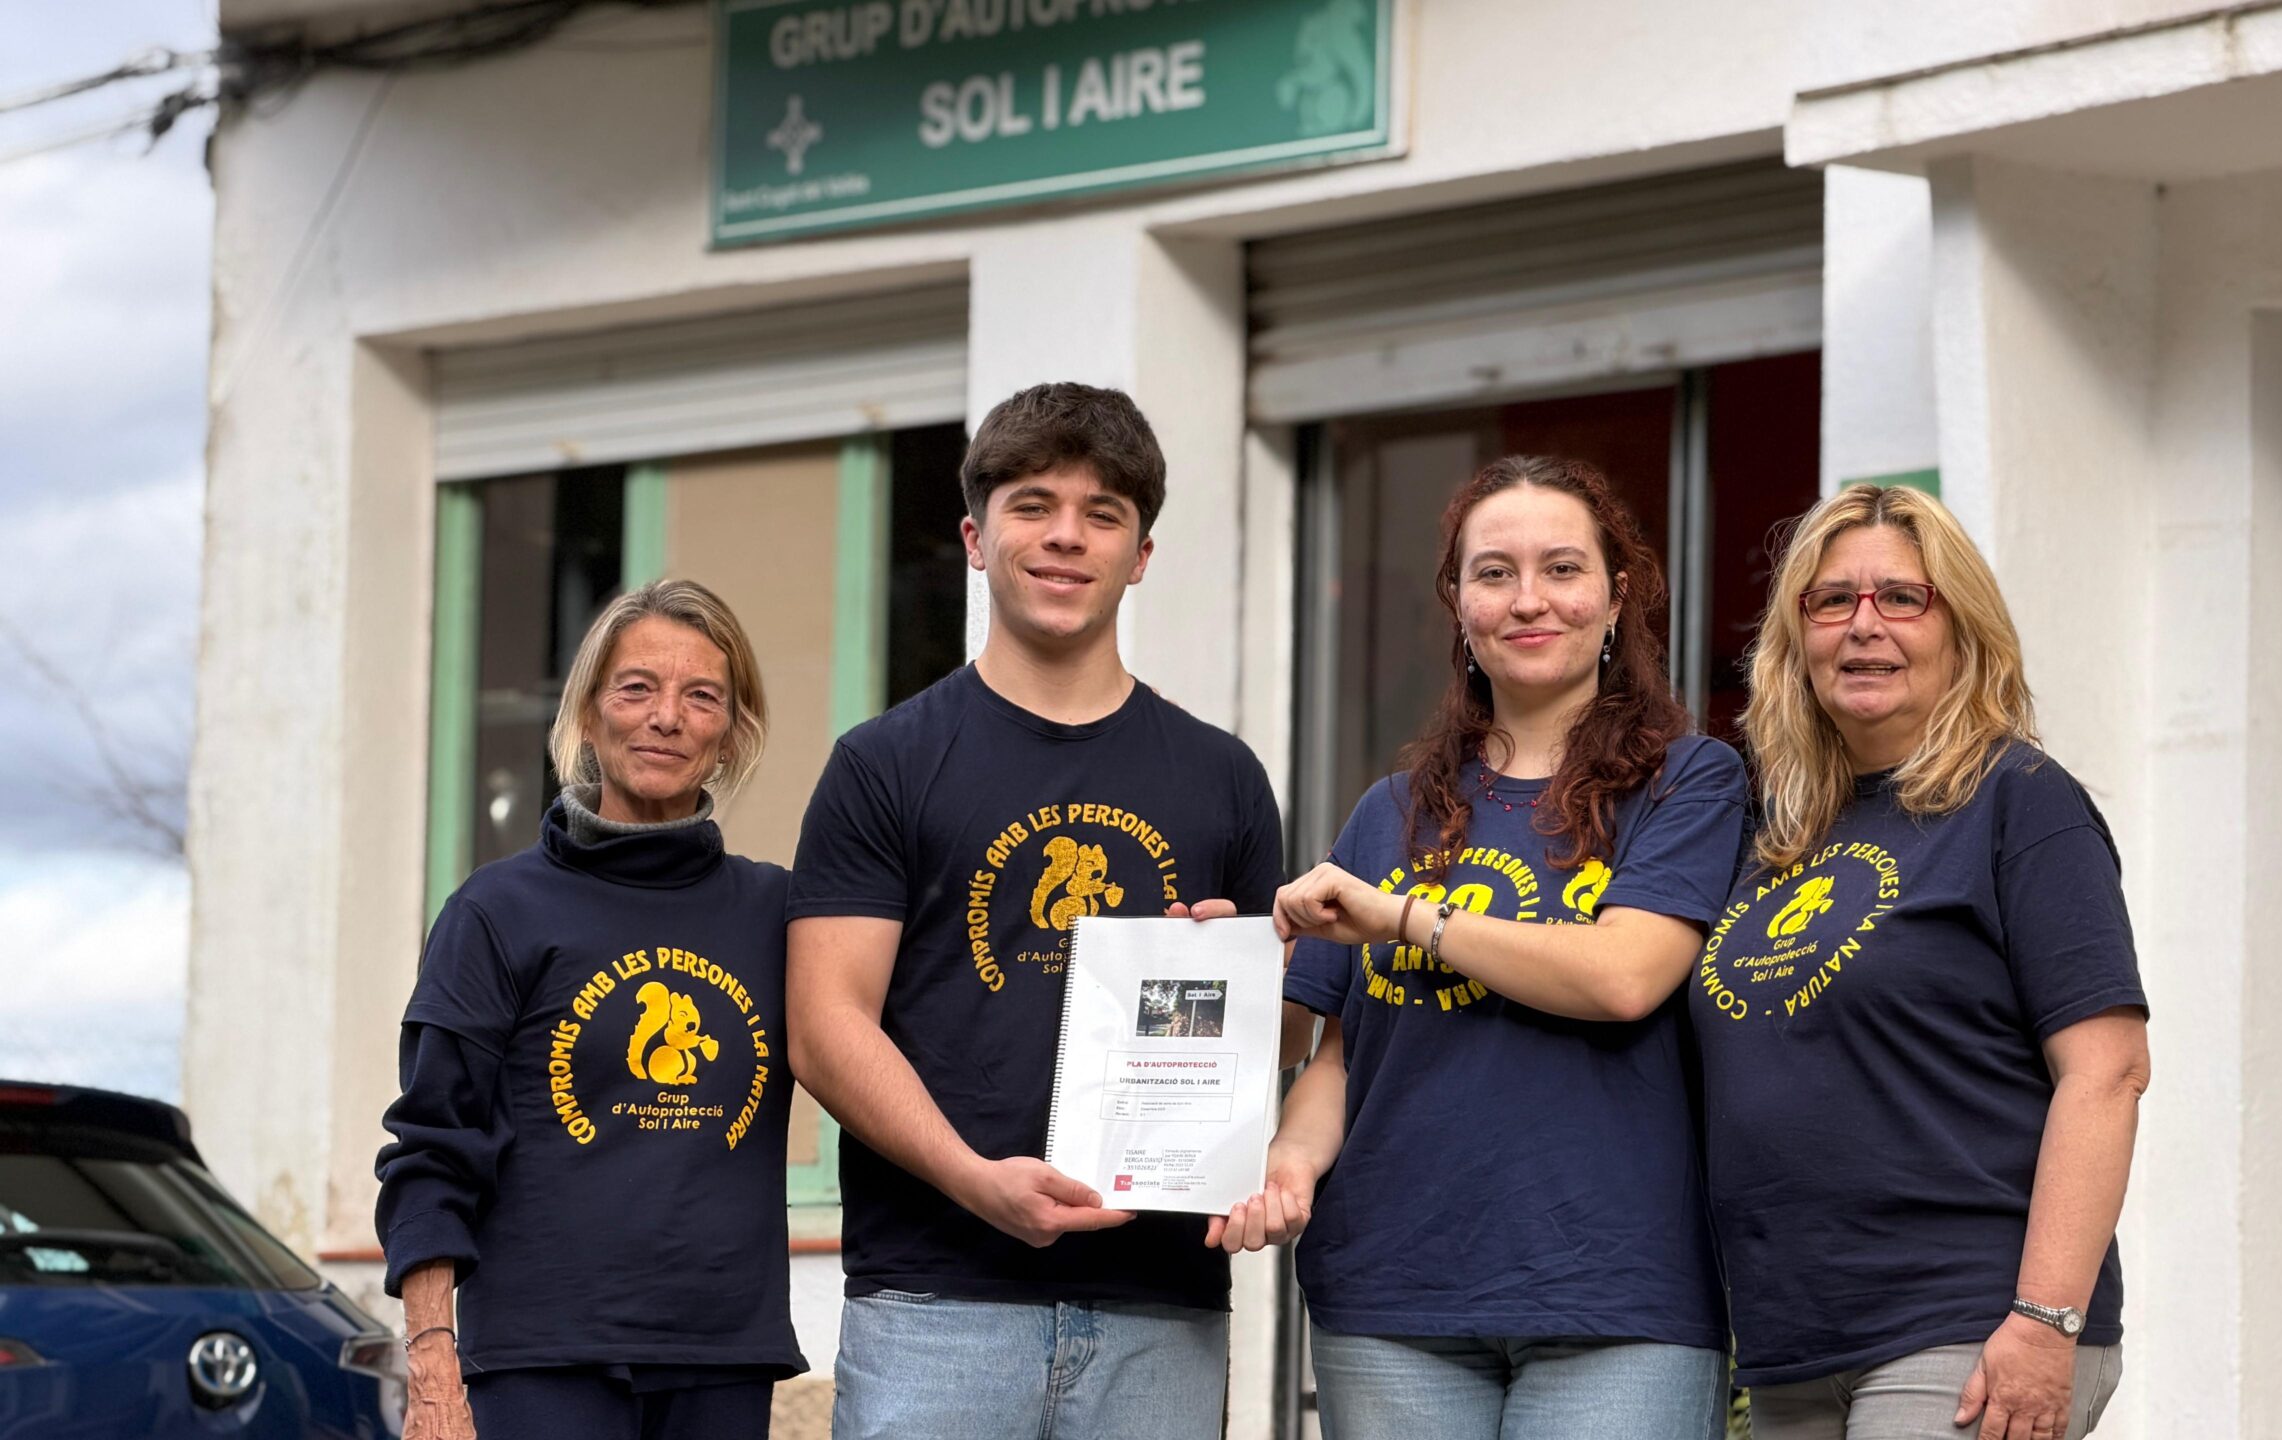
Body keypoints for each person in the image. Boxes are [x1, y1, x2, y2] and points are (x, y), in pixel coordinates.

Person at [785, 382, 1286, 1440]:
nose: (1066, 536)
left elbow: (1276, 1036)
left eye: (1103, 512)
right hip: (935, 1302)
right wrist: (974, 1182)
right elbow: (826, 1026)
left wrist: (1228, 983)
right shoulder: (883, 766)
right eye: (1032, 504)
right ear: (975, 536)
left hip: (1160, 1308)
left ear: (1141, 554)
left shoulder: (1223, 776)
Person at [1226, 456, 1743, 1440]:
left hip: (1615, 1297)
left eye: (1560, 569)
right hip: (1388, 1293)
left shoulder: (1690, 782)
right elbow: (1337, 1053)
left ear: (1615, 597)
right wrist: (1289, 1162)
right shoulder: (1392, 811)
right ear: (1457, 603)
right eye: (1494, 573)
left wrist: (1409, 919)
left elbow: (1626, 976)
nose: (1527, 600)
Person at [1695, 484, 2150, 1440]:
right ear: (1796, 635)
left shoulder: (2019, 803)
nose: (1865, 627)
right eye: (1833, 601)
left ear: (1962, 628)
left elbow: (2107, 1072)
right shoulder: (1770, 833)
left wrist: (2045, 1321)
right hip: (1792, 1341)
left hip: (1966, 1321)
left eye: (1902, 597)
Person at [375, 578, 802, 1440]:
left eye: (701, 697)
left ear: (730, 735)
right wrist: (432, 1365)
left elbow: (931, 1007)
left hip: (722, 1359)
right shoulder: (497, 912)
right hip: (542, 1364)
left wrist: (1147, 956)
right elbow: (431, 1149)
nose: (666, 717)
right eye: (636, 688)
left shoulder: (779, 915)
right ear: (587, 716)